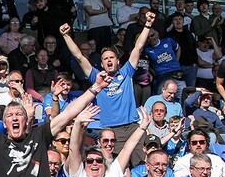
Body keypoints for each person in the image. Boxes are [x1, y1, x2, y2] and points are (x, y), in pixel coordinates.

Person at [65, 13, 156, 166]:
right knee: (117, 170)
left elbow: (138, 47)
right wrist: (66, 35)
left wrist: (147, 25)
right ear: (101, 64)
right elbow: (80, 57)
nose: (109, 60)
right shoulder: (96, 77)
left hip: (132, 125)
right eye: (105, 58)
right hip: (111, 131)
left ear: (118, 61)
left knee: (141, 165)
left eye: (111, 57)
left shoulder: (126, 72)